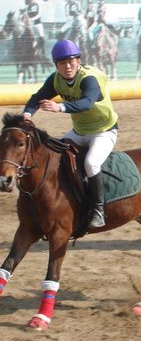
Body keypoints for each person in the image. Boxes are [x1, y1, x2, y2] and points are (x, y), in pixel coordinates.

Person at [22, 39, 119, 228]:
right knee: (53, 153)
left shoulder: (89, 78)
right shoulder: (56, 79)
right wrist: (27, 114)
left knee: (91, 163)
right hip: (80, 131)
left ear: (78, 60)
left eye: (71, 61)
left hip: (104, 131)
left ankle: (98, 210)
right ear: (56, 65)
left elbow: (87, 102)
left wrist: (59, 107)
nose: (67, 66)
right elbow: (37, 97)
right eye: (62, 63)